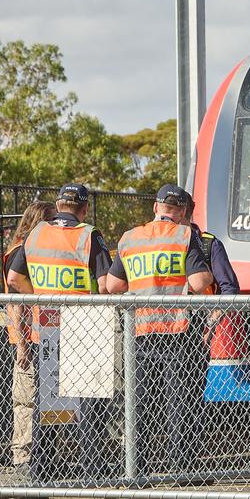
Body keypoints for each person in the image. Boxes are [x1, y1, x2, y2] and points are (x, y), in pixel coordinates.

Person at [5, 184, 112, 482]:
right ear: (84, 208)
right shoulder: (89, 234)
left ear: (59, 204)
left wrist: (39, 297)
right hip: (83, 326)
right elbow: (105, 285)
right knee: (89, 398)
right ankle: (93, 468)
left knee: (47, 399)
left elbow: (14, 278)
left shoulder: (36, 234)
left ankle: (44, 467)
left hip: (45, 328)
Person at [106, 184, 213, 476]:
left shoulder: (130, 238)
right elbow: (201, 282)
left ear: (155, 208)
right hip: (178, 331)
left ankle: (136, 469)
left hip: (141, 332)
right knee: (180, 403)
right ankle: (182, 469)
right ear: (180, 212)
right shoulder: (184, 235)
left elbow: (113, 286)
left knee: (140, 403)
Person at [0, 201, 56, 474]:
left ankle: (47, 457)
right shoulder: (20, 252)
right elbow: (16, 304)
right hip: (29, 337)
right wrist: (22, 345)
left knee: (51, 398)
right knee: (26, 400)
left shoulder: (38, 251)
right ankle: (23, 458)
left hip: (46, 333)